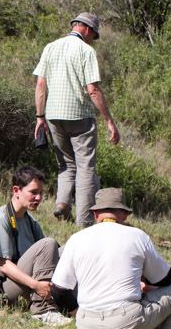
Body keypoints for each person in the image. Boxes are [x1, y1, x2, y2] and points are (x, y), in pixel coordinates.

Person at [51, 188, 171, 329]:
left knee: (106, 321)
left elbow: (58, 290)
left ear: (95, 214)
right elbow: (166, 279)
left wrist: (77, 312)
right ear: (125, 214)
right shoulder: (137, 236)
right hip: (125, 321)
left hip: (86, 321)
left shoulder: (76, 238)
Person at [33, 12, 120, 227]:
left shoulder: (50, 47)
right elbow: (92, 90)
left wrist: (40, 117)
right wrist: (109, 120)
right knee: (85, 168)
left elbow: (41, 85)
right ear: (88, 29)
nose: (93, 39)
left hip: (53, 115)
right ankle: (84, 222)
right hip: (80, 116)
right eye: (94, 35)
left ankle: (62, 204)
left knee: (65, 164)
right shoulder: (86, 51)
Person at [0, 166, 69, 325]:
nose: (39, 198)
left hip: (26, 280)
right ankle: (43, 310)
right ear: (16, 190)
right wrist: (36, 286)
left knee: (68, 249)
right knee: (48, 243)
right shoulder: (0, 220)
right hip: (3, 287)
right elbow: (4, 266)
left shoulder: (30, 221)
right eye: (33, 192)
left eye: (41, 193)